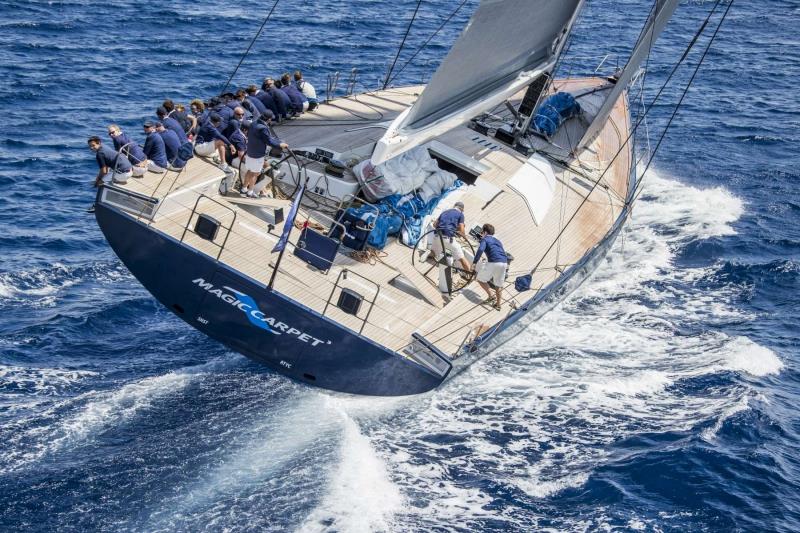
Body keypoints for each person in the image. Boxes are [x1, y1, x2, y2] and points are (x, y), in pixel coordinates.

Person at [243, 110, 287, 198]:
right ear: (269, 119)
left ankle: (244, 189)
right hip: (257, 155)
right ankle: (250, 192)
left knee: (249, 171)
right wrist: (280, 144)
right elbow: (269, 141)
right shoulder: (263, 128)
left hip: (250, 152)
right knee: (255, 174)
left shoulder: (254, 123)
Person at [472, 223, 509, 310]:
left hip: (493, 262)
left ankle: (491, 296)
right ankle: (498, 304)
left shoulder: (485, 239)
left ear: (484, 232)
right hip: (504, 263)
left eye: (482, 231)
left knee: (480, 279)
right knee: (498, 285)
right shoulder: (498, 241)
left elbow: (481, 249)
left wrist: (474, 263)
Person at [431, 201, 473, 275]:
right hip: (448, 238)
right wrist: (464, 237)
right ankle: (470, 274)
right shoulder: (460, 214)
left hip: (437, 236)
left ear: (454, 206)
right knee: (461, 258)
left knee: (433, 253)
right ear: (462, 209)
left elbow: (434, 224)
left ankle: (428, 255)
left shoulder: (445, 212)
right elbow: (462, 229)